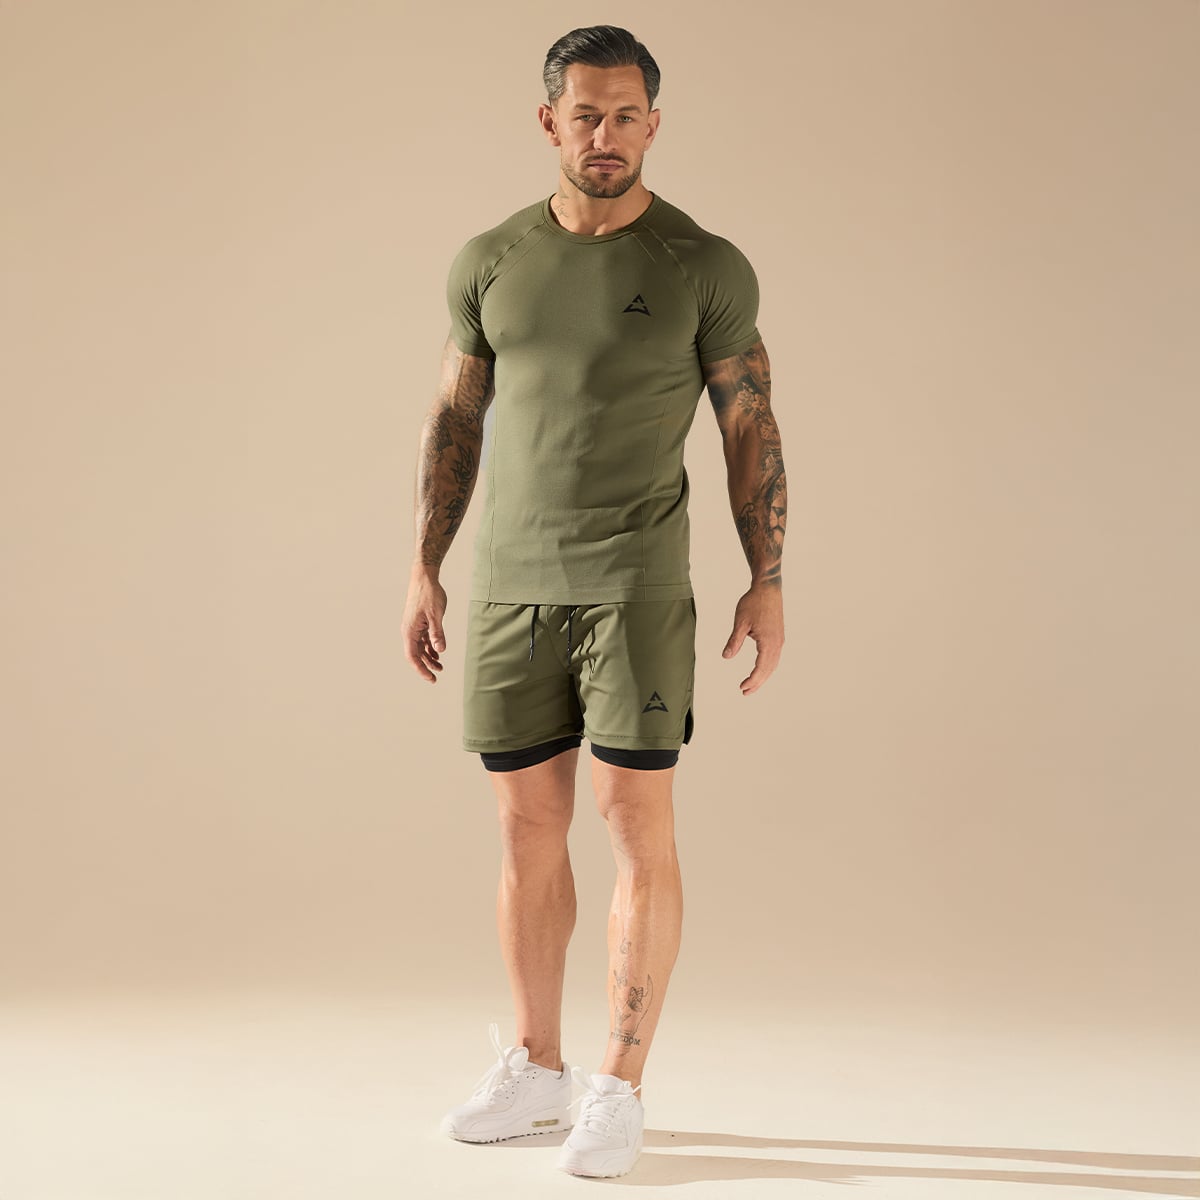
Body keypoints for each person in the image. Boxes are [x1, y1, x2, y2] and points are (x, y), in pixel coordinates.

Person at [401, 24, 787, 1180]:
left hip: (634, 586)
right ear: (549, 123)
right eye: (586, 115)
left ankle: (618, 1084)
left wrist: (767, 579)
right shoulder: (491, 260)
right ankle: (537, 1069)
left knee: (633, 822)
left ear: (654, 123)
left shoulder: (703, 265)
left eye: (626, 116)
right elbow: (456, 418)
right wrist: (425, 563)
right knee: (525, 829)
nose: (606, 135)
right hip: (509, 585)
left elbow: (750, 427)